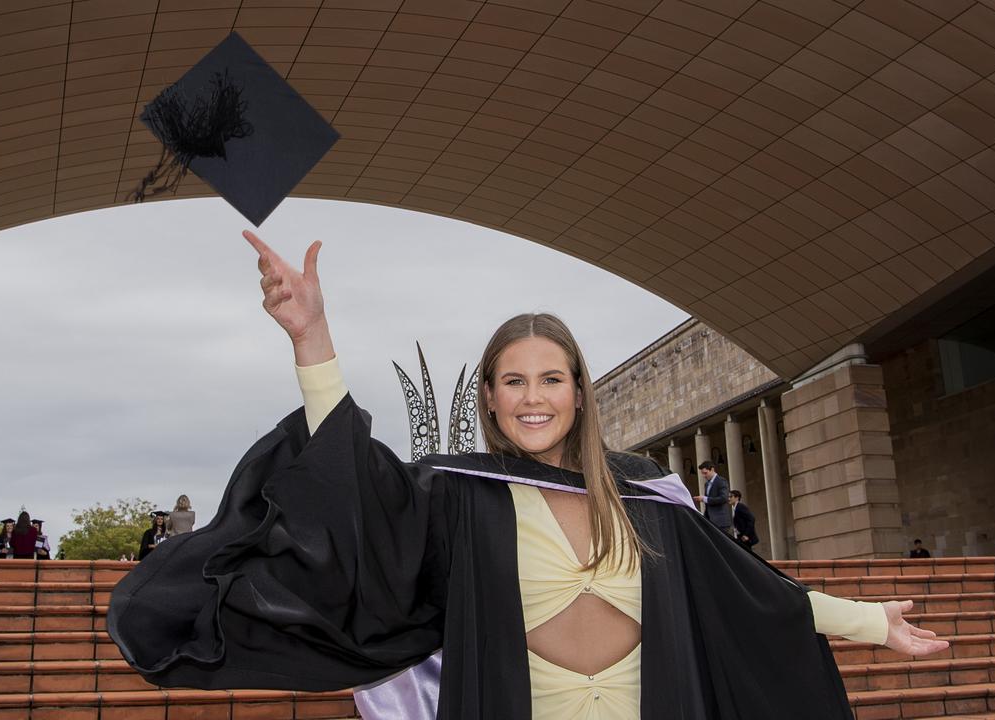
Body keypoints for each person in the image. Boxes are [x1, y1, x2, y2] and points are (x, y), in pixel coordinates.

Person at [107, 233, 948, 719]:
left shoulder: (644, 492)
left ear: (580, 392)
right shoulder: (462, 494)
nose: (534, 397)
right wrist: (312, 338)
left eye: (552, 379)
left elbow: (745, 591)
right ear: (489, 396)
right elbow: (359, 491)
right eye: (515, 380)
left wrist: (875, 622)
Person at [692, 460, 732, 534]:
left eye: (705, 473)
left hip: (721, 522)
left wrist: (705, 499)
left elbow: (724, 498)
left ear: (712, 469)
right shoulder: (707, 484)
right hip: (711, 521)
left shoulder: (721, 481)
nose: (704, 476)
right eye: (702, 474)